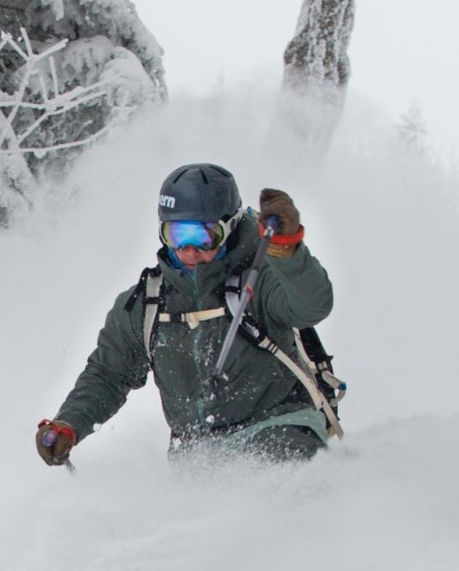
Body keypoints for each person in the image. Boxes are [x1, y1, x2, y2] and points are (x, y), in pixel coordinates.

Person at [35, 162, 334, 466]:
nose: (190, 250)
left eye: (204, 236)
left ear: (229, 228)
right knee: (195, 510)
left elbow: (311, 305)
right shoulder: (150, 302)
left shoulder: (260, 279)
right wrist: (70, 423)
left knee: (279, 484)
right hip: (198, 453)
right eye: (177, 234)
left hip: (279, 427)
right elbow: (109, 373)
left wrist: (287, 250)